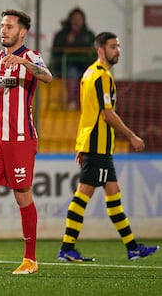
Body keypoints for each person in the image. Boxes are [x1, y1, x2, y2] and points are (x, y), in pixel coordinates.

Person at [57, 31, 159, 262]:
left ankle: (132, 247)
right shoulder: (102, 76)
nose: (118, 51)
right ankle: (66, 247)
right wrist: (132, 136)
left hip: (94, 144)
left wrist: (82, 144)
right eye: (113, 46)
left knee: (113, 195)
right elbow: (107, 114)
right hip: (98, 145)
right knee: (84, 195)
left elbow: (89, 113)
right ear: (100, 49)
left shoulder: (89, 73)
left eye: (119, 46)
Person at [0, 9, 53, 275]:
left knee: (22, 196)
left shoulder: (31, 56)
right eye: (2, 25)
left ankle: (30, 259)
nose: (3, 30)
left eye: (9, 26)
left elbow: (47, 76)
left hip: (21, 140)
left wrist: (23, 64)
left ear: (22, 32)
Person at [50, 7, 96, 110]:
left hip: (85, 64)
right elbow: (56, 50)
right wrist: (68, 42)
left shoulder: (88, 35)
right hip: (66, 64)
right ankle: (71, 102)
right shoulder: (62, 35)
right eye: (74, 19)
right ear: (70, 20)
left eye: (79, 19)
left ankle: (91, 105)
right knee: (72, 72)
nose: (77, 22)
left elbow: (94, 51)